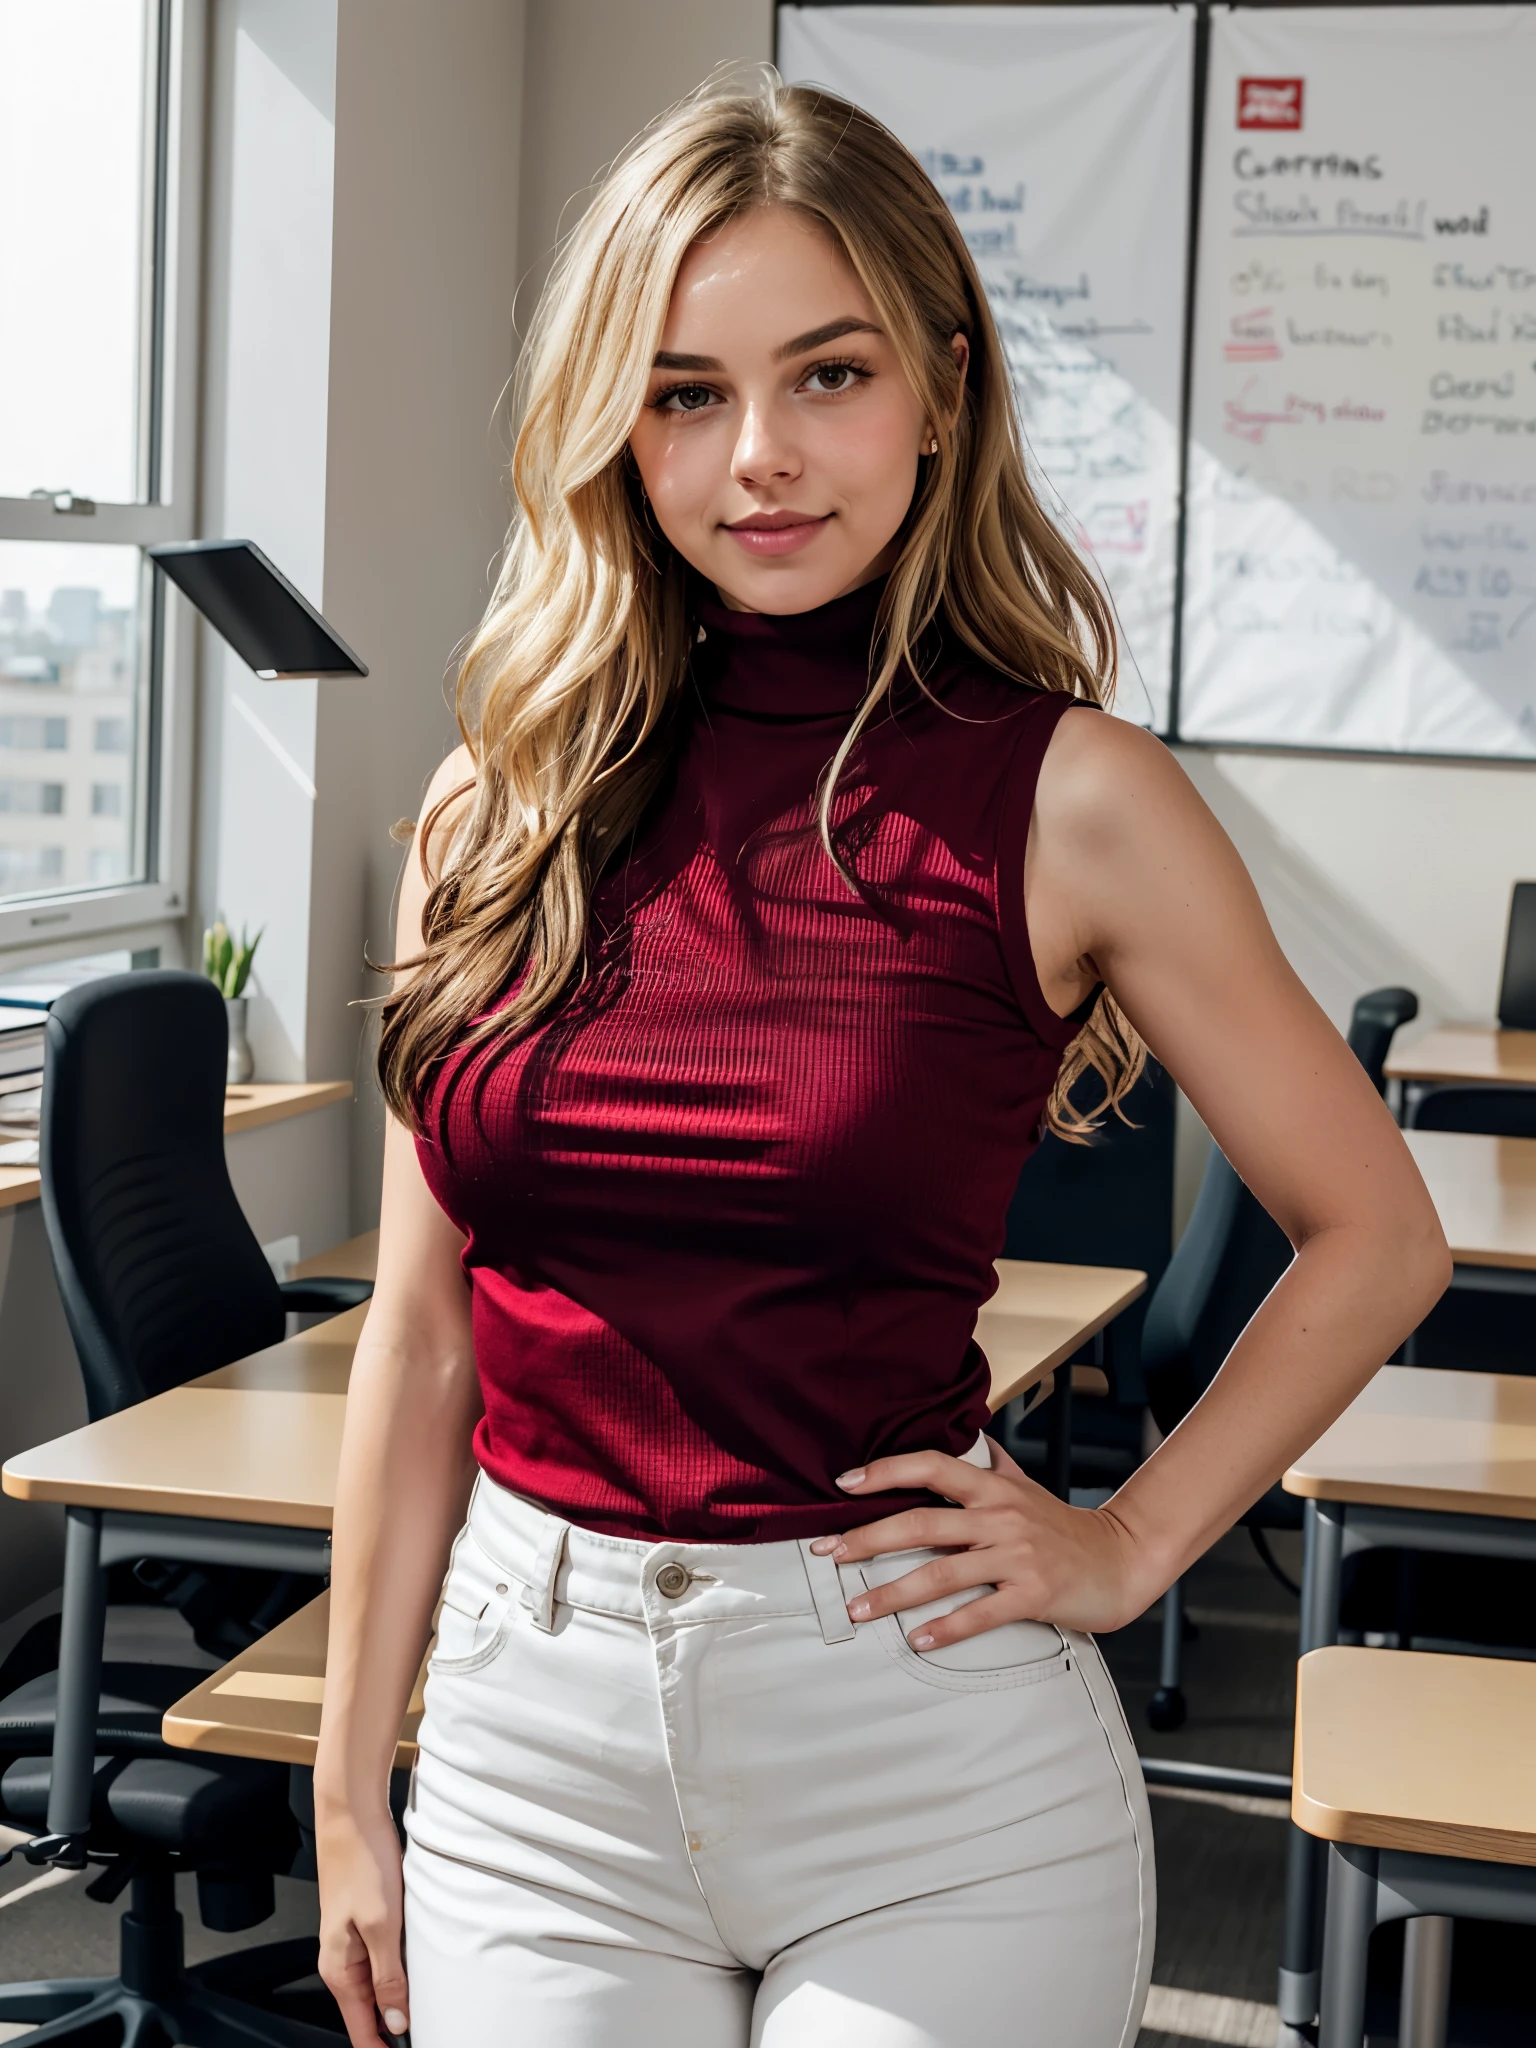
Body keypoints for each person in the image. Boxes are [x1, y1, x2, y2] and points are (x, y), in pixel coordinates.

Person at [312, 77, 1449, 2048]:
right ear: (613, 424)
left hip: (916, 1747)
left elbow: (1376, 1234)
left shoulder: (1069, 796)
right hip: (530, 1742)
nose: (759, 458)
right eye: (682, 393)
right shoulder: (488, 813)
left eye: (824, 375)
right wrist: (344, 1789)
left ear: (940, 382)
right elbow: (422, 1343)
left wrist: (1131, 1539)